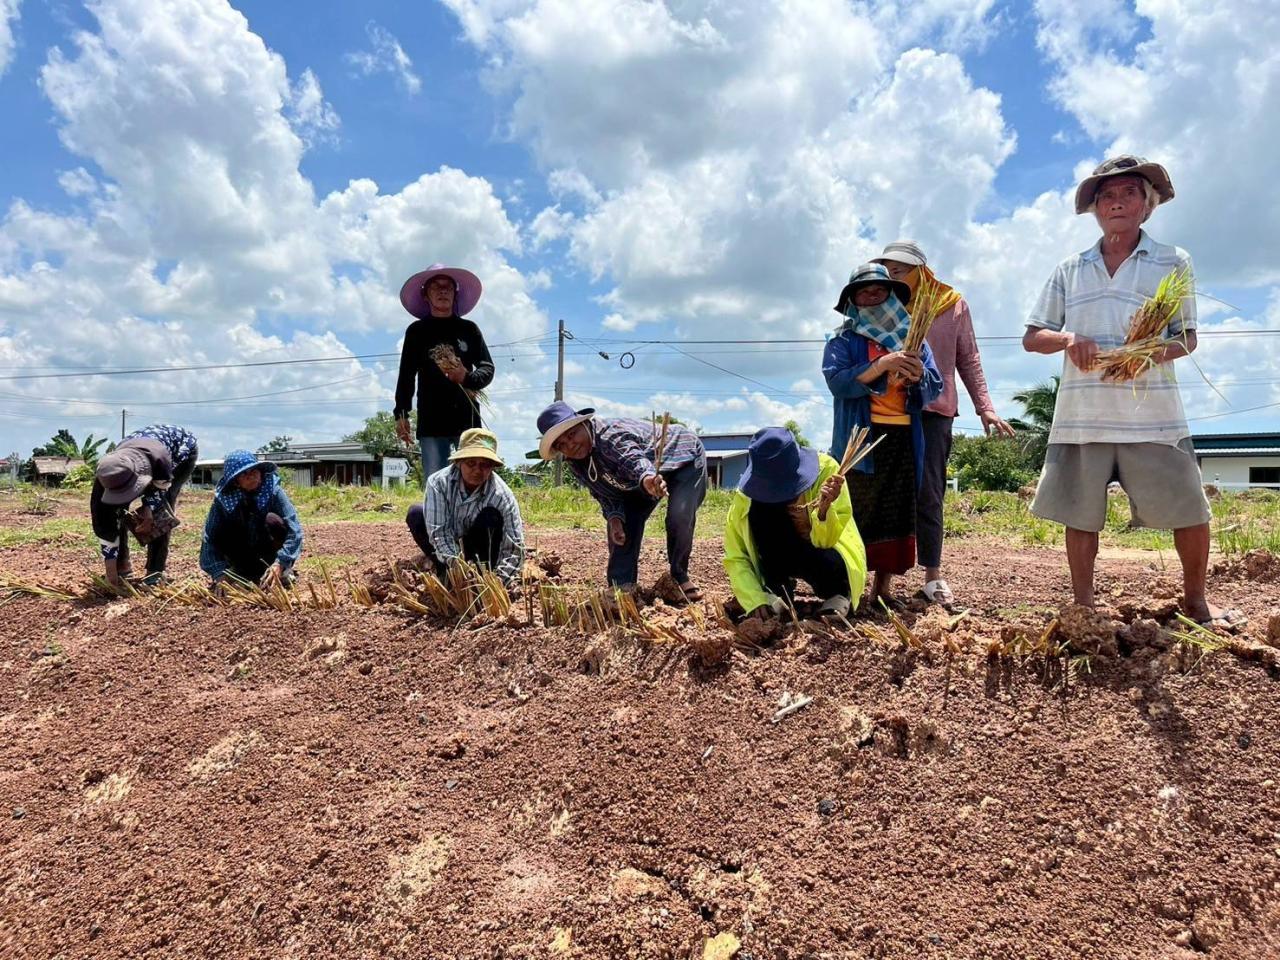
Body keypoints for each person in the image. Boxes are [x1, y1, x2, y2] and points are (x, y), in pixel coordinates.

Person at [1022, 154, 1242, 627]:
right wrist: (1067, 339)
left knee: (1190, 509)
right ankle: (1084, 607)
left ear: (1148, 205)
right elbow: (1033, 336)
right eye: (1107, 196)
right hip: (1083, 416)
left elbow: (1187, 336)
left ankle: (1196, 602)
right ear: (1095, 209)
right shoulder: (1071, 268)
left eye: (1129, 193)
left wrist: (1144, 355)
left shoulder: (1172, 261)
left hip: (1154, 416)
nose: (1117, 203)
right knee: (1080, 516)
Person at [872, 240, 1013, 610]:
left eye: (899, 269)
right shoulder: (883, 306)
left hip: (934, 410)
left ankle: (933, 576)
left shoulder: (951, 305)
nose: (892, 275)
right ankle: (882, 580)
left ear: (921, 269)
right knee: (889, 494)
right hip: (889, 409)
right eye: (888, 269)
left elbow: (969, 357)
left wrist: (986, 407)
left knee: (928, 492)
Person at [823, 262, 943, 608]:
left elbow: (935, 387)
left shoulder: (914, 339)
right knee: (856, 511)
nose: (873, 296)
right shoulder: (842, 340)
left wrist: (919, 373)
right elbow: (838, 381)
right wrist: (882, 365)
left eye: (880, 290)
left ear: (891, 295)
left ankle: (882, 590)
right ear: (853, 300)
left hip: (903, 437)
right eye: (865, 291)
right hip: (859, 438)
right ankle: (847, 588)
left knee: (896, 512)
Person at [536, 401, 707, 599]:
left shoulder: (610, 436)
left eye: (571, 434)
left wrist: (646, 479)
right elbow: (603, 492)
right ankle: (621, 588)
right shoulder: (576, 463)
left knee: (679, 515)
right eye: (561, 445)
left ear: (583, 424)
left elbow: (632, 460)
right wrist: (614, 518)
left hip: (683, 457)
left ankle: (679, 576)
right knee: (621, 528)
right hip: (640, 480)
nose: (570, 445)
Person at [723, 427, 867, 619]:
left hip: (823, 553)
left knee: (831, 567)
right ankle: (778, 592)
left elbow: (828, 541)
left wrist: (823, 511)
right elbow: (736, 556)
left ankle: (839, 592)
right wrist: (754, 598)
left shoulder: (828, 473)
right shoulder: (746, 496)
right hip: (781, 553)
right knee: (760, 516)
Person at [393, 263, 496, 483]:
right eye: (436, 287)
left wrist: (466, 377)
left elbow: (487, 368)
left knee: (472, 480)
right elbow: (406, 376)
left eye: (447, 287)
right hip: (432, 420)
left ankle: (470, 518)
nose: (442, 291)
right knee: (435, 482)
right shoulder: (417, 332)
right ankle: (436, 519)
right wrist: (401, 413)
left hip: (467, 420)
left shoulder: (469, 330)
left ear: (455, 293)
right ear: (426, 295)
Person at [405, 428, 525, 589]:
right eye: (471, 463)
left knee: (491, 516)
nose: (477, 470)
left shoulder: (502, 495)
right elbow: (439, 533)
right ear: (459, 462)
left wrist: (498, 585)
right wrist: (457, 566)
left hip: (481, 550)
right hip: (448, 549)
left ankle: (483, 575)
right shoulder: (438, 483)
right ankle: (443, 570)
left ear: (492, 467)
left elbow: (514, 548)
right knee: (416, 514)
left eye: (485, 465)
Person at [91, 424, 198, 587]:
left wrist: (148, 510)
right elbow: (104, 523)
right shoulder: (107, 475)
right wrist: (111, 571)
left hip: (180, 452)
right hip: (140, 453)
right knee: (115, 511)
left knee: (161, 512)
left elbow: (160, 490)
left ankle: (155, 572)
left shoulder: (160, 460)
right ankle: (122, 567)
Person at [199, 450, 304, 586]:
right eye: (244, 474)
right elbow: (209, 537)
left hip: (270, 553)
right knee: (224, 526)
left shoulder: (273, 491)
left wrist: (281, 562)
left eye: (254, 471)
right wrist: (218, 572)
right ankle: (236, 571)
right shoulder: (224, 500)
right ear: (236, 482)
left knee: (271, 519)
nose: (251, 476)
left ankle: (282, 570)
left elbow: (294, 529)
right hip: (241, 554)